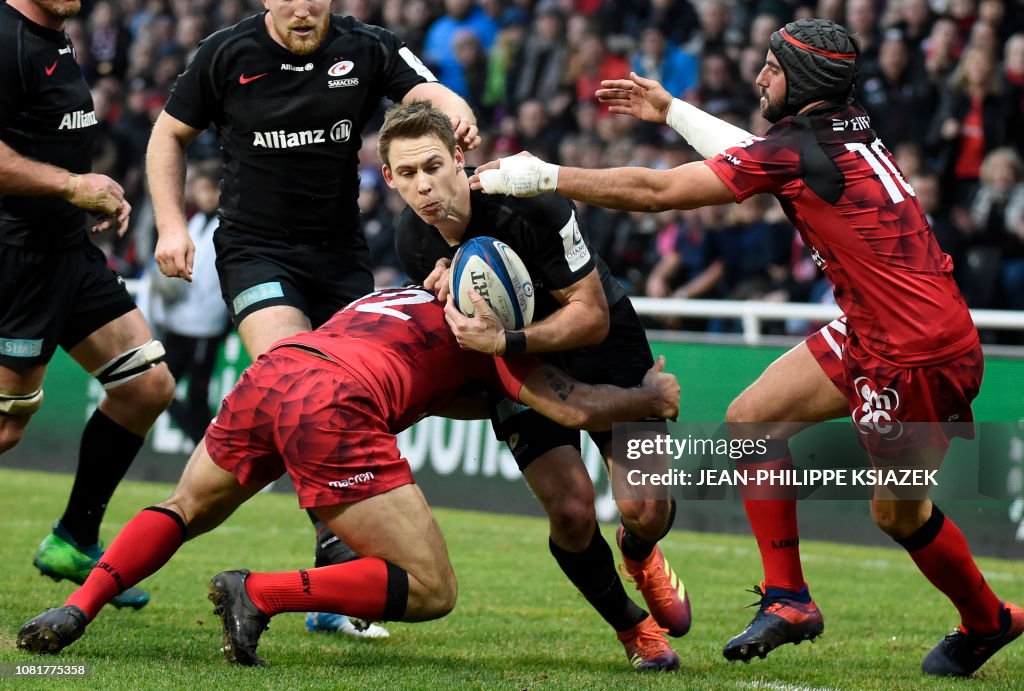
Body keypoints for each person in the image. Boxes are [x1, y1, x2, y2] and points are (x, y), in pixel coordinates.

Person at [470, 18, 1023, 679]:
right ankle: (789, 597)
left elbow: (657, 191)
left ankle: (988, 619)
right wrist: (673, 110)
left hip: (913, 352)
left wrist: (543, 174)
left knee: (898, 514)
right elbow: (758, 152)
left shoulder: (796, 149)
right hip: (890, 325)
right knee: (753, 418)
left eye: (773, 65)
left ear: (806, 80)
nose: (759, 75)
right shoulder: (840, 127)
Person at [16, 286, 682, 665]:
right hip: (337, 402)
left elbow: (434, 383)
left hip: (279, 369)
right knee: (430, 587)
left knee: (186, 503)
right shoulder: (493, 333)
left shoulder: (400, 289)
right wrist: (651, 399)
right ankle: (261, 592)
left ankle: (80, 606)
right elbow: (567, 404)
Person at [146, 0, 480, 637]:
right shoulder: (226, 54)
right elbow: (168, 135)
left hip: (339, 254)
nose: (304, 10)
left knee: (342, 404)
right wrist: (168, 224)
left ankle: (332, 581)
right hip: (254, 249)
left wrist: (455, 111)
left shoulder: (367, 46)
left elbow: (428, 89)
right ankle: (319, 562)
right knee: (300, 381)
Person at [382, 102, 690, 671]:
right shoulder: (412, 242)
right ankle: (635, 630)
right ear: (389, 179)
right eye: (407, 175)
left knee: (646, 508)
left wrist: (505, 342)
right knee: (572, 513)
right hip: (520, 364)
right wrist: (447, 308)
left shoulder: (529, 200)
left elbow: (591, 316)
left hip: (606, 344)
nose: (423, 187)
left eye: (432, 166)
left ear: (458, 157)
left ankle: (639, 549)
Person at [0, 0, 175, 610]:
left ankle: (74, 539)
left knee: (147, 386)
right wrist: (70, 185)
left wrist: (90, 194)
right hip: (18, 260)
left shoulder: (56, 37)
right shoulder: (6, 38)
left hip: (67, 251)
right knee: (7, 426)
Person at [141, 162, 231, 446]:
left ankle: (210, 452)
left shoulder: (225, 228)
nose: (202, 195)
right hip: (180, 324)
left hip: (205, 326)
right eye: (199, 189)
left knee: (195, 398)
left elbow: (202, 275)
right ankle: (207, 449)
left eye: (208, 189)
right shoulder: (195, 222)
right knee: (159, 389)